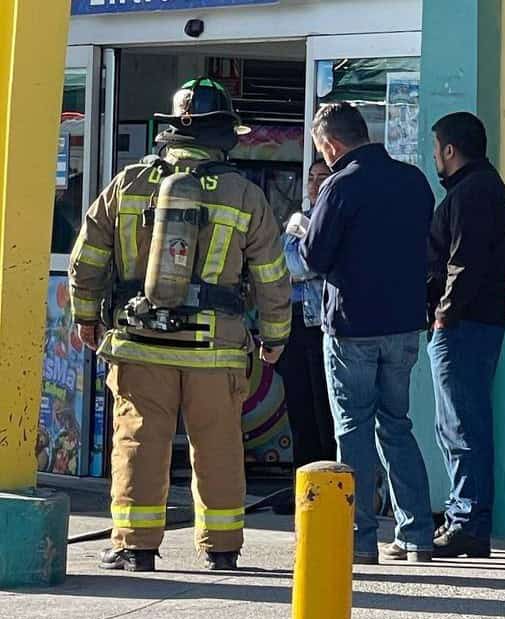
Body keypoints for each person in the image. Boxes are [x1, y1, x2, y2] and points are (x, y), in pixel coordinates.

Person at [69, 77, 292, 572]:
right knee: (217, 445)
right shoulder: (243, 195)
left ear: (171, 130)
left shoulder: (127, 184)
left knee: (139, 441)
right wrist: (275, 336)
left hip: (139, 341)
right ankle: (222, 550)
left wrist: (86, 317)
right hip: (216, 349)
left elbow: (87, 259)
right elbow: (273, 276)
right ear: (224, 134)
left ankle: (135, 546)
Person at [298, 102, 435, 564]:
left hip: (353, 327)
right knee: (396, 425)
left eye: (322, 148)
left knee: (353, 428)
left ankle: (359, 538)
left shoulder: (338, 185)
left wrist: (302, 229)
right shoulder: (413, 181)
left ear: (331, 144)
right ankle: (416, 533)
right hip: (403, 326)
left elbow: (314, 259)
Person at [426, 112, 505, 558]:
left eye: (437, 147)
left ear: (450, 149)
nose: (435, 157)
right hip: (475, 322)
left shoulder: (471, 193)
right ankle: (466, 517)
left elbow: (464, 261)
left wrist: (444, 314)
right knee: (460, 423)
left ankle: (467, 520)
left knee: (462, 425)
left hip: (464, 325)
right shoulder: (482, 188)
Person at [272, 159, 337, 515]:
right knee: (298, 407)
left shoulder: (332, 217)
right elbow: (283, 265)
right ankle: (303, 487)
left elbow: (308, 265)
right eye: (310, 178)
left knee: (324, 407)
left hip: (323, 324)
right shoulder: (298, 219)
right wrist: (297, 260)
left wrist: (297, 259)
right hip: (293, 322)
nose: (314, 184)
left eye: (321, 177)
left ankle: (329, 485)